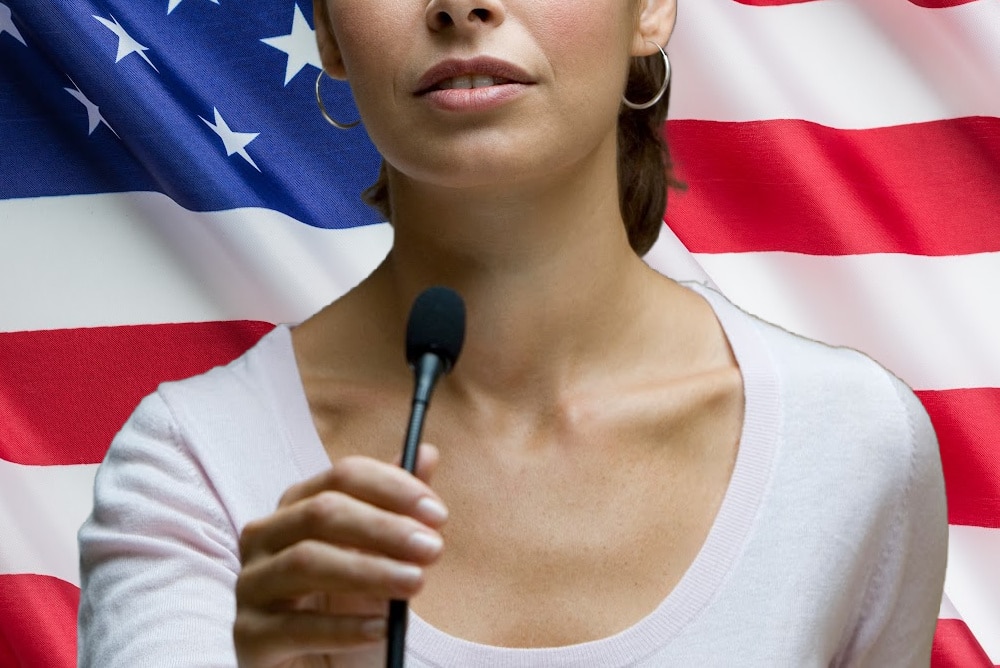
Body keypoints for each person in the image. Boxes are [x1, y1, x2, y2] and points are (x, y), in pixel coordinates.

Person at [78, 0, 948, 666]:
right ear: (330, 37)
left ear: (648, 9)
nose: (460, 4)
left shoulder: (853, 439)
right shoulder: (193, 465)